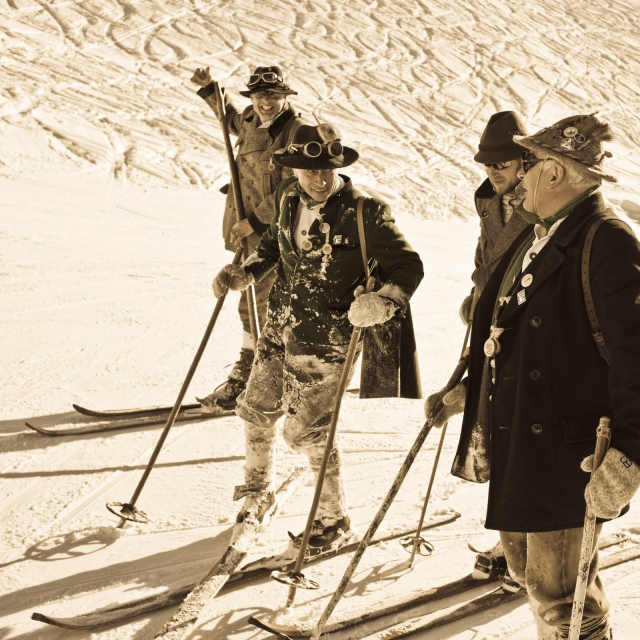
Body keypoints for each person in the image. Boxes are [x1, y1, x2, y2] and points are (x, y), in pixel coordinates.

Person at [447, 113, 640, 640]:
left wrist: (630, 453)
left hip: (568, 455)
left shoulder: (606, 241)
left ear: (554, 173)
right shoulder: (539, 236)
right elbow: (514, 336)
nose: (518, 176)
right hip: (525, 444)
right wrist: (471, 389)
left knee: (562, 600)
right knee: (531, 577)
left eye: (527, 163)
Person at [212, 122, 424, 557]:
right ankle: (257, 493)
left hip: (329, 342)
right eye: (310, 171)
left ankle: (333, 521)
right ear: (293, 171)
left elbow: (409, 268)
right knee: (255, 411)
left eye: (328, 169)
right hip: (280, 326)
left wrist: (383, 303)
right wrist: (244, 272)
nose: (321, 179)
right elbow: (271, 247)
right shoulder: (287, 199)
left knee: (308, 432)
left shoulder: (366, 212)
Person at [427, 111, 529, 580]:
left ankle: (529, 543)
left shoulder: (542, 202)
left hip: (527, 334)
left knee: (522, 437)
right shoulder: (490, 200)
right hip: (492, 330)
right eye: (488, 163)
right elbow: (485, 257)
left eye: (503, 162)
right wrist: (476, 294)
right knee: (500, 434)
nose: (493, 171)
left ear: (525, 159)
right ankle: (516, 536)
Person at [190, 65, 305, 410]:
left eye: (272, 95)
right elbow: (229, 120)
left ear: (284, 97)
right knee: (252, 305)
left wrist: (254, 222)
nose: (265, 102)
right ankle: (262, 375)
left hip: (275, 234)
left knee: (263, 306)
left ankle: (255, 380)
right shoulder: (251, 121)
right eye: (259, 95)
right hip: (246, 233)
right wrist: (211, 88)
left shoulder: (296, 132)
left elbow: (293, 187)